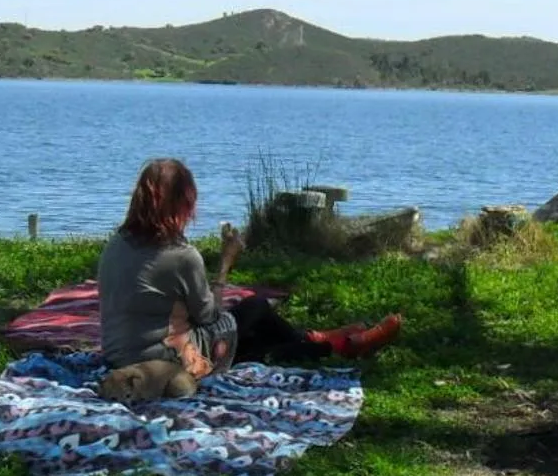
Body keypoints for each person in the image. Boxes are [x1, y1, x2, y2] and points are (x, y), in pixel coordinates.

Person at [98, 158, 401, 378]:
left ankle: (323, 341)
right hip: (166, 363)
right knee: (254, 310)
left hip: (118, 360)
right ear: (183, 204)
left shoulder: (116, 244)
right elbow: (209, 317)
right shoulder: (180, 256)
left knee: (252, 335)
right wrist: (226, 262)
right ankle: (335, 345)